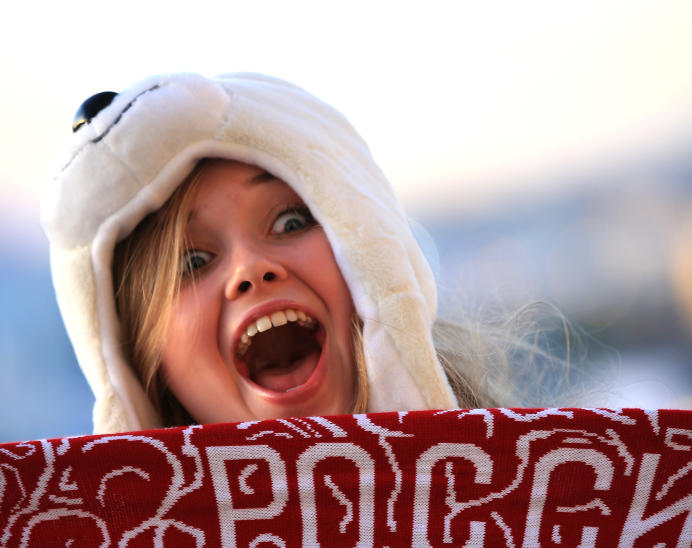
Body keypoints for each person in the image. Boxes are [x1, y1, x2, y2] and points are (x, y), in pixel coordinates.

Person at [42, 72, 536, 435]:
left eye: (291, 222)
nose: (250, 268)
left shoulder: (550, 511)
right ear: (145, 367)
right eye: (192, 262)